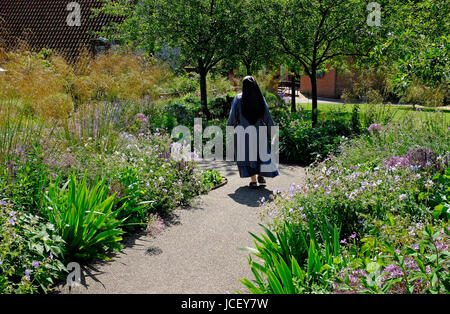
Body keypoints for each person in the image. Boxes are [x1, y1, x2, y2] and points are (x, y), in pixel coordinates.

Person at [227, 76, 279, 189]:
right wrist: (272, 132)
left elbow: (232, 118)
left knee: (247, 156)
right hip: (259, 132)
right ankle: (260, 175)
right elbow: (267, 118)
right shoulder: (260, 99)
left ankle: (254, 181)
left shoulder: (238, 99)